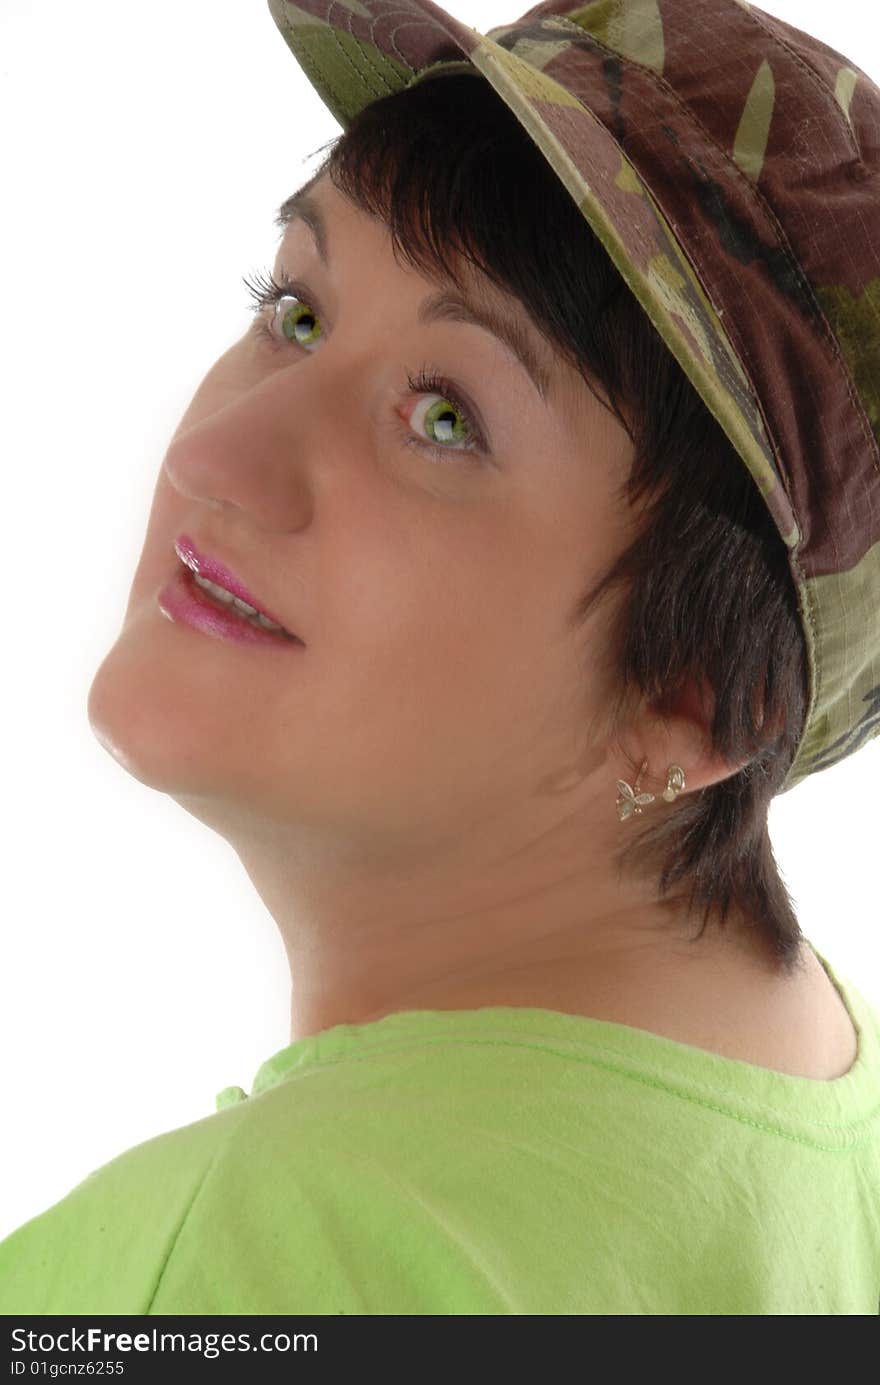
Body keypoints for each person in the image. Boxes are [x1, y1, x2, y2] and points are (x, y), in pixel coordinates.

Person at [1, 0, 879, 1315]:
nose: (212, 459)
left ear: (694, 700)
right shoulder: (820, 1106)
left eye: (443, 416)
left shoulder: (231, 1269)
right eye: (295, 312)